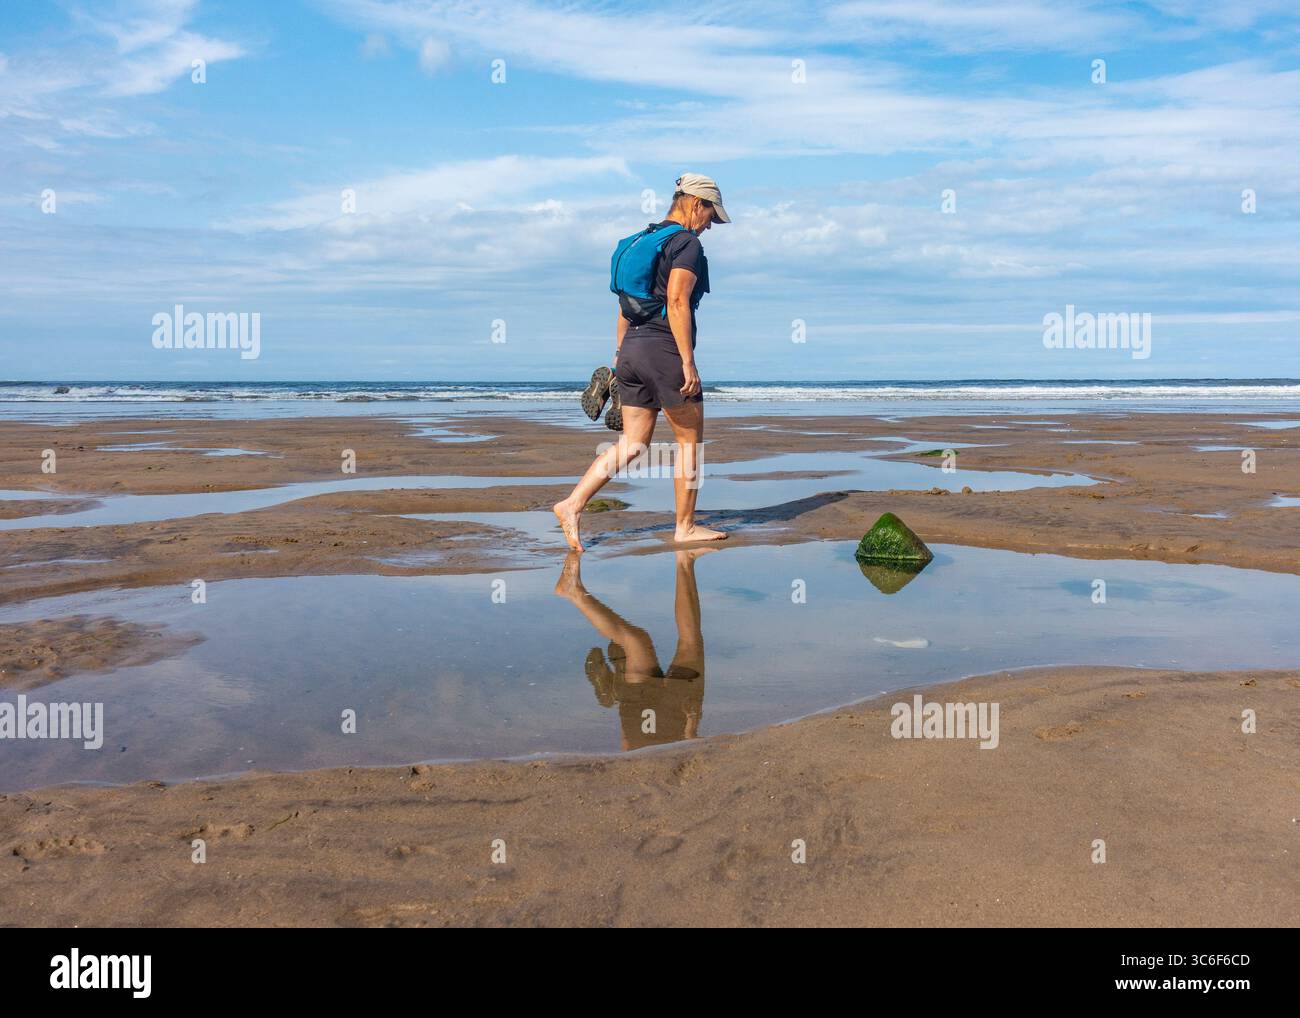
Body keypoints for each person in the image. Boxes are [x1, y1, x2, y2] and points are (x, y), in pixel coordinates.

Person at [554, 172, 731, 553]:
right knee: (689, 443)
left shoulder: (643, 240)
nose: (709, 226)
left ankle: (571, 504)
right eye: (710, 216)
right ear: (695, 204)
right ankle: (684, 527)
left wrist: (620, 362)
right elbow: (678, 301)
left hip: (632, 347)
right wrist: (688, 362)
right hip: (663, 349)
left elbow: (626, 306)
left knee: (633, 443)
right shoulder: (685, 244)